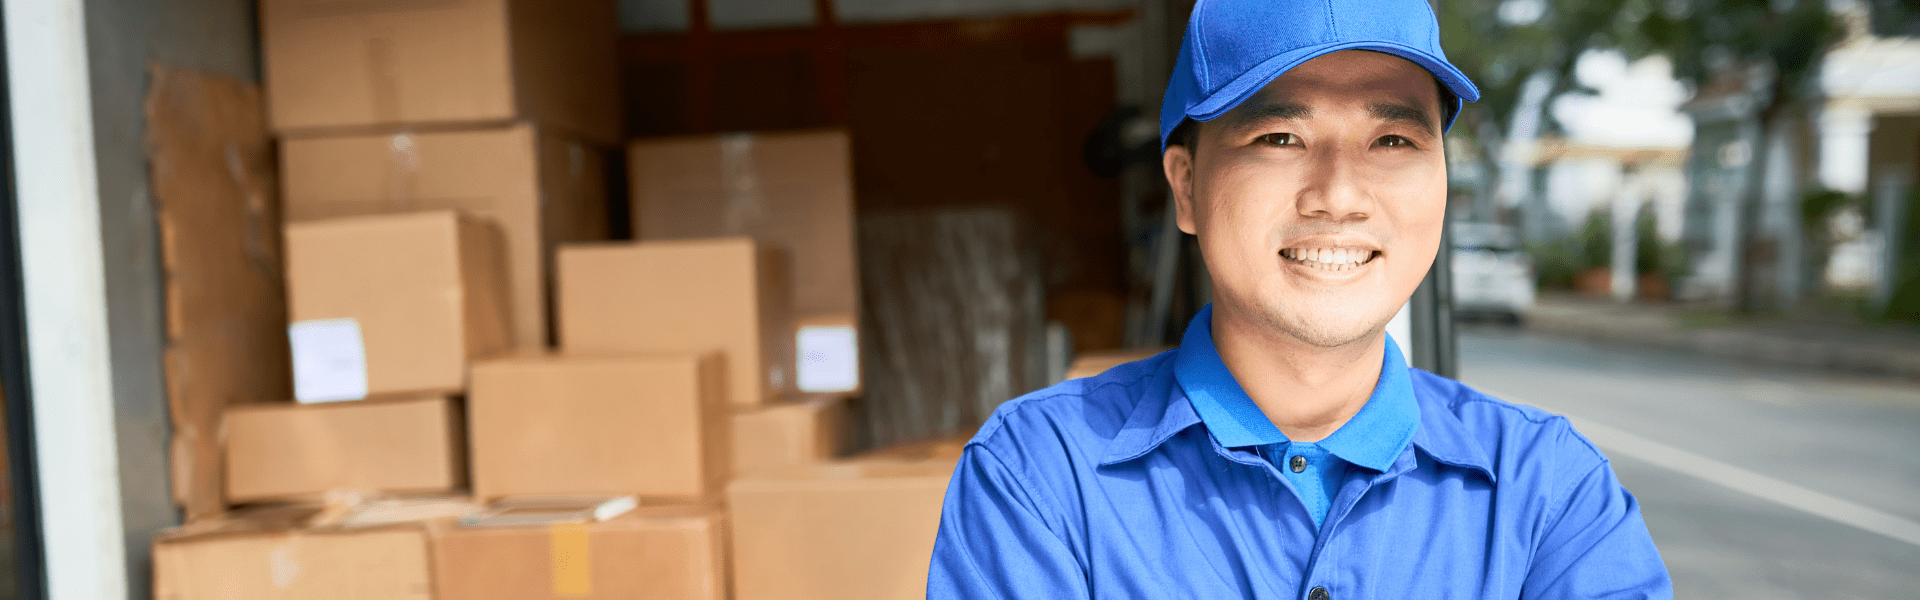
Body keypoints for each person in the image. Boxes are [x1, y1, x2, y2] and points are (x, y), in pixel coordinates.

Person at [925, 0, 1674, 597]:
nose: (1339, 196)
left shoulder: (1548, 493)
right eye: (1280, 137)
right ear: (1185, 186)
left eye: (1392, 141)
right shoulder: (1040, 476)